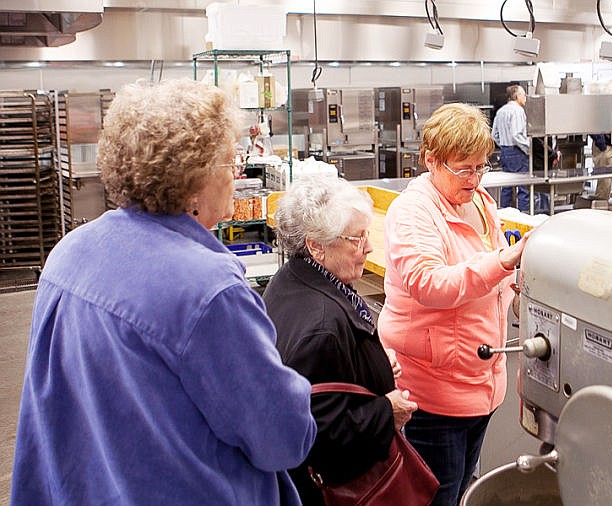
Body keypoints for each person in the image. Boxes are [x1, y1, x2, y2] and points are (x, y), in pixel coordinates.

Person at [10, 79, 317, 506]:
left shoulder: (69, 254)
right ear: (195, 180)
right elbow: (283, 437)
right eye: (230, 162)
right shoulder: (208, 289)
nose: (237, 175)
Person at [379, 103, 529, 506]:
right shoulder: (413, 212)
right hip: (433, 393)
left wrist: (523, 293)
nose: (475, 178)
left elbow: (498, 270)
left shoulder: (477, 201)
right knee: (437, 496)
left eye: (481, 167)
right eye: (464, 168)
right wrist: (503, 263)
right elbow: (430, 284)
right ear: (431, 160)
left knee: (463, 489)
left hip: (480, 384)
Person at [264, 176, 419, 505]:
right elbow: (322, 435)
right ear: (317, 245)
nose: (370, 247)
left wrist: (369, 364)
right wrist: (386, 413)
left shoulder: (291, 278)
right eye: (357, 238)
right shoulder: (322, 328)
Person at [492, 83, 530, 210]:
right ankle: (524, 217)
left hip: (505, 151)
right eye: (524, 95)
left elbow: (494, 135)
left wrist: (504, 146)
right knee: (524, 188)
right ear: (517, 96)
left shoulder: (501, 111)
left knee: (507, 187)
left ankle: (504, 215)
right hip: (518, 152)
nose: (525, 97)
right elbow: (517, 134)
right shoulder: (517, 111)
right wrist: (528, 149)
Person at [589, 133, 612, 201]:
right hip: (606, 145)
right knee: (604, 185)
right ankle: (600, 208)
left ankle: (601, 206)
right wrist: (600, 141)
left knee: (606, 184)